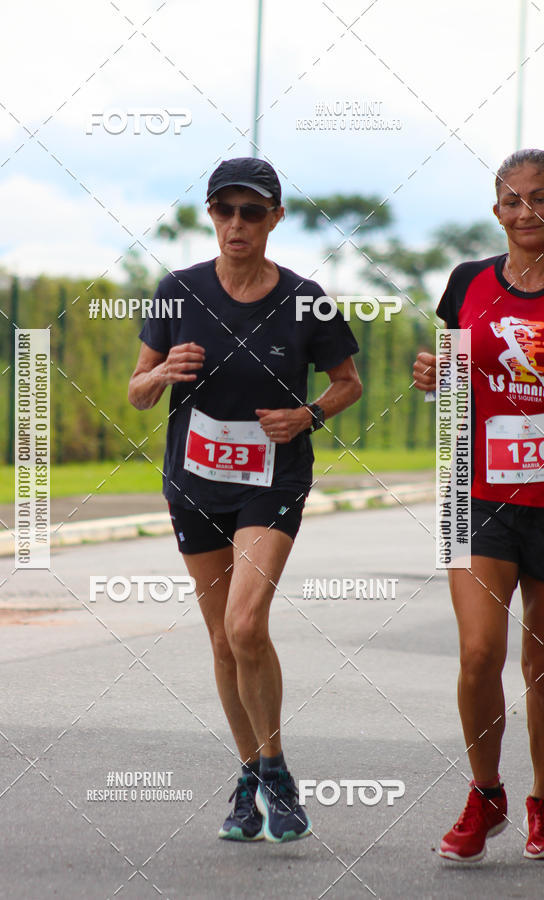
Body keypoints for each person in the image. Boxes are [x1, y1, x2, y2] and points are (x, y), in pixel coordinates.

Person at [128, 157, 361, 843]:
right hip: (195, 481)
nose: (236, 224)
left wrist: (309, 415)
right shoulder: (178, 291)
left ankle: (277, 769)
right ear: (211, 215)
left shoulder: (306, 298)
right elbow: (138, 390)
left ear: (275, 218)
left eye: (251, 212)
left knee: (245, 622)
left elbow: (347, 381)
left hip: (273, 478)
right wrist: (163, 372)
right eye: (225, 210)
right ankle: (250, 776)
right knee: (222, 641)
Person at [413, 148, 544, 862]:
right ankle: (486, 791)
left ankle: (542, 802)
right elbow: (453, 372)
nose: (528, 213)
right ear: (496, 211)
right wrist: (435, 374)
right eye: (515, 201)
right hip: (478, 495)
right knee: (477, 653)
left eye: (541, 199)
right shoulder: (467, 281)